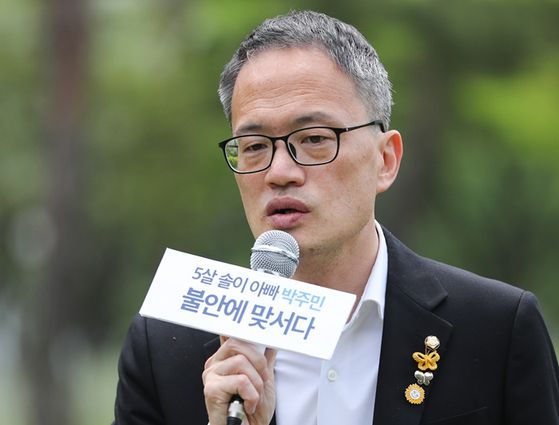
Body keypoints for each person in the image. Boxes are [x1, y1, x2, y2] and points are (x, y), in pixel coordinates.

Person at [113, 10, 559, 425]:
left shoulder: (496, 329)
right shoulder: (166, 351)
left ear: (385, 160)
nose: (279, 172)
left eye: (314, 139)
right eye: (254, 146)